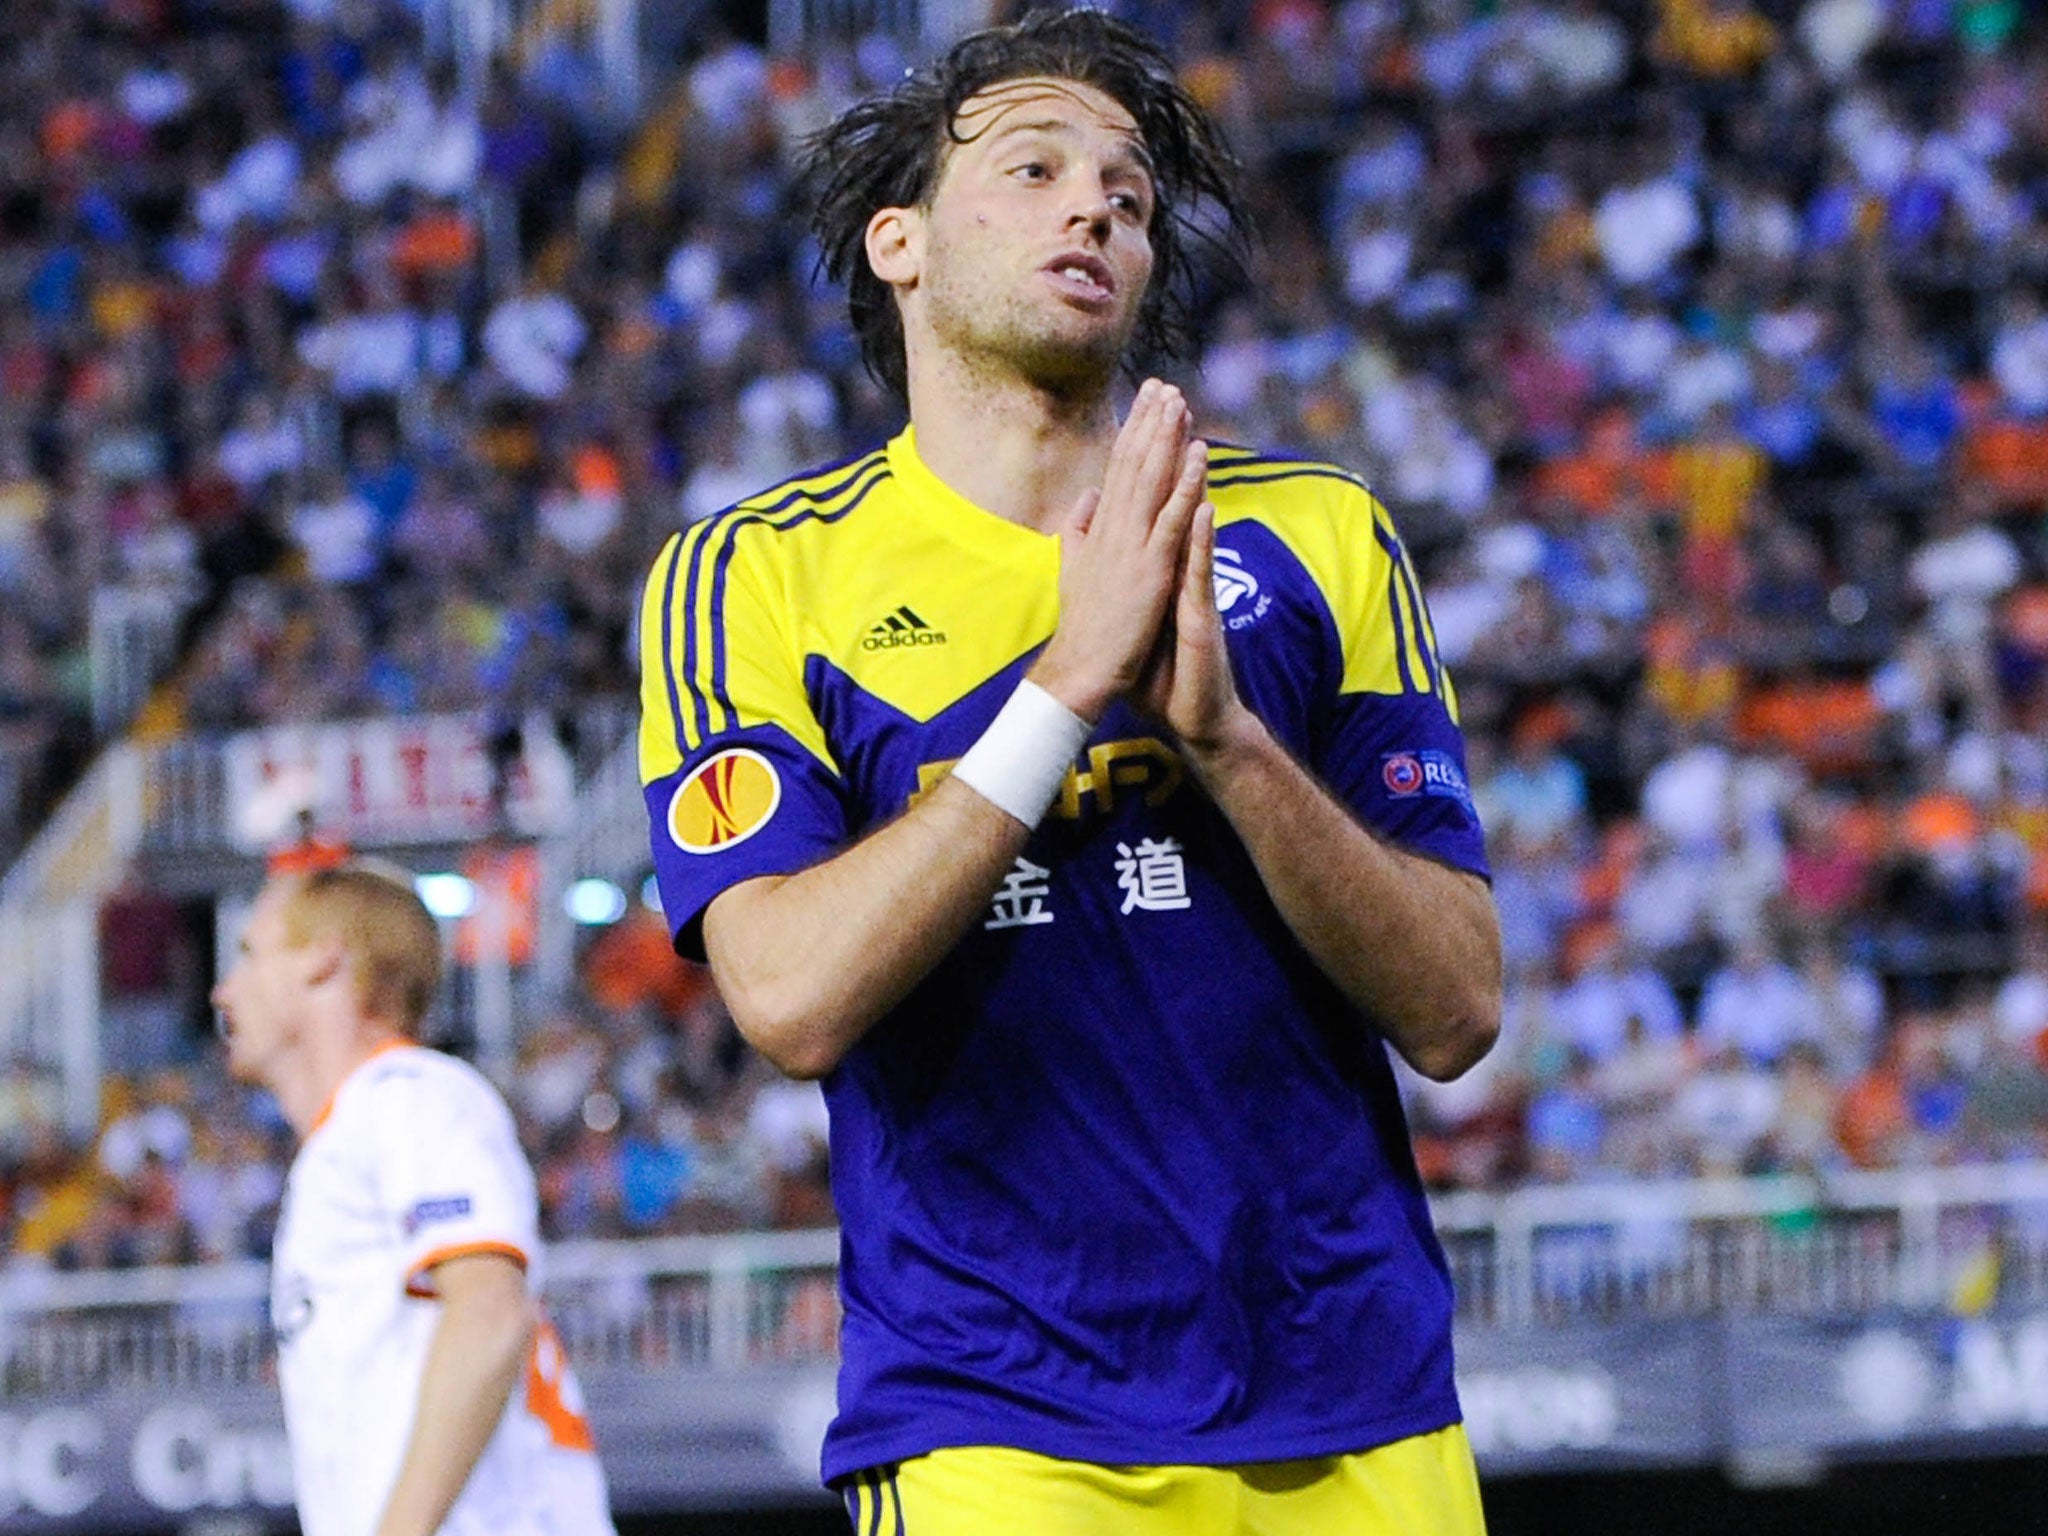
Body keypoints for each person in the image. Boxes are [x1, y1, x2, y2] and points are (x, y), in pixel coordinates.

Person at [636, 10, 1501, 1533]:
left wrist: (1226, 742)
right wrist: (1065, 691)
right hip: (1004, 1424)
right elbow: (788, 996)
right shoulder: (758, 573)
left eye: (1127, 192)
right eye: (1032, 169)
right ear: (900, 245)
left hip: (1361, 1402)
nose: (1093, 203)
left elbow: (1454, 1009)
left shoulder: (1315, 532)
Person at [212, 863, 614, 1536]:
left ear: (323, 961)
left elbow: (489, 1313)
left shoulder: (407, 1095)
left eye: (250, 954)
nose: (224, 989)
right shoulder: (353, 1132)